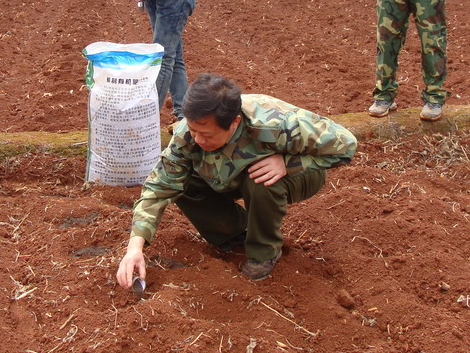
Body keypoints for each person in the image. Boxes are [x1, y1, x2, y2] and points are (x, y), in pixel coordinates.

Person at [116, 73, 357, 286]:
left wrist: (287, 163)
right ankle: (234, 233)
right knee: (184, 181)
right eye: (193, 130)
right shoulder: (187, 136)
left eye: (206, 134)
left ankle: (265, 251)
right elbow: (160, 186)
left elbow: (346, 145)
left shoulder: (275, 123)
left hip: (299, 174)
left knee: (260, 179)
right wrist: (135, 247)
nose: (197, 139)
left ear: (234, 122)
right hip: (231, 172)